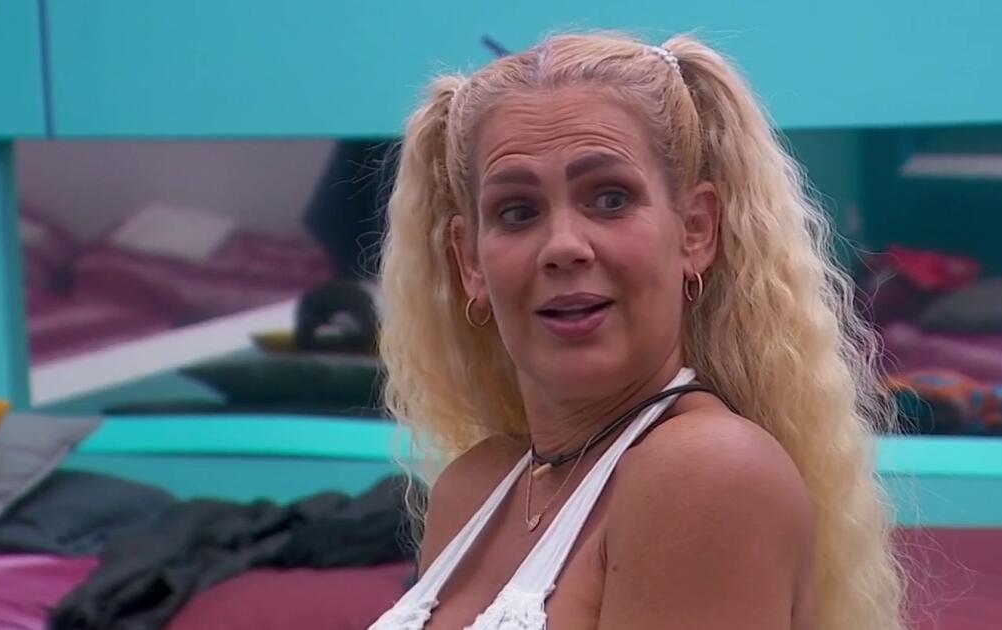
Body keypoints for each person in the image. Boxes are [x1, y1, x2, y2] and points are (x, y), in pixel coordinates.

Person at [371, 32, 904, 630]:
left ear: (696, 231)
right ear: (470, 261)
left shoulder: (705, 471)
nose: (564, 246)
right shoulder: (473, 489)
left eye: (610, 199)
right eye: (517, 212)